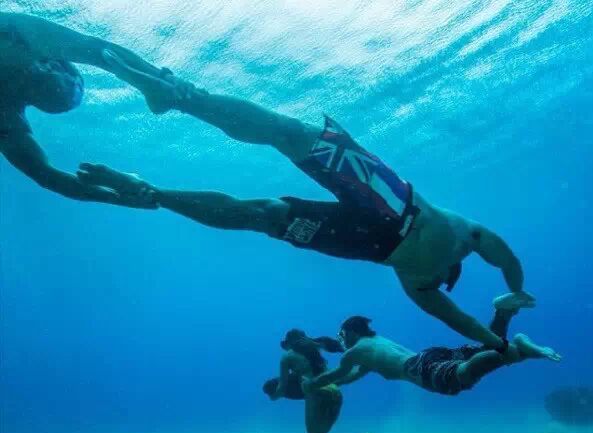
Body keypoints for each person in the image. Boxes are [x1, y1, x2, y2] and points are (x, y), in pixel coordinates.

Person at [76, 48, 535, 349]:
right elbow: (501, 266)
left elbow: (478, 301)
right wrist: (510, 303)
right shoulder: (450, 251)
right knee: (283, 153)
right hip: (387, 213)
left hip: (380, 221)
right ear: (454, 272)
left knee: (272, 193)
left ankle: (160, 164)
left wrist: (507, 313)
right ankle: (175, 115)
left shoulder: (432, 273)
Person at [0, 11, 178, 207]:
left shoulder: (6, 114)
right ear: (54, 64)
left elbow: (46, 176)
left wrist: (118, 197)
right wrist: (161, 80)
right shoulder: (22, 36)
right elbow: (100, 50)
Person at [304, 299, 561, 397]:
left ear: (351, 332)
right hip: (427, 356)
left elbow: (337, 373)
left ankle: (514, 348)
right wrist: (333, 385)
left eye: (341, 335)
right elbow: (350, 377)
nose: (341, 340)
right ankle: (503, 313)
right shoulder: (373, 345)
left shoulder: (355, 351)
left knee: (463, 376)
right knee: (483, 349)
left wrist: (312, 385)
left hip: (418, 368)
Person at [263, 329, 384, 433]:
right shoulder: (315, 351)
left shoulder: (287, 358)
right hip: (335, 393)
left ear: (289, 343)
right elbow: (333, 373)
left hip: (316, 395)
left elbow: (281, 389)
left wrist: (274, 396)